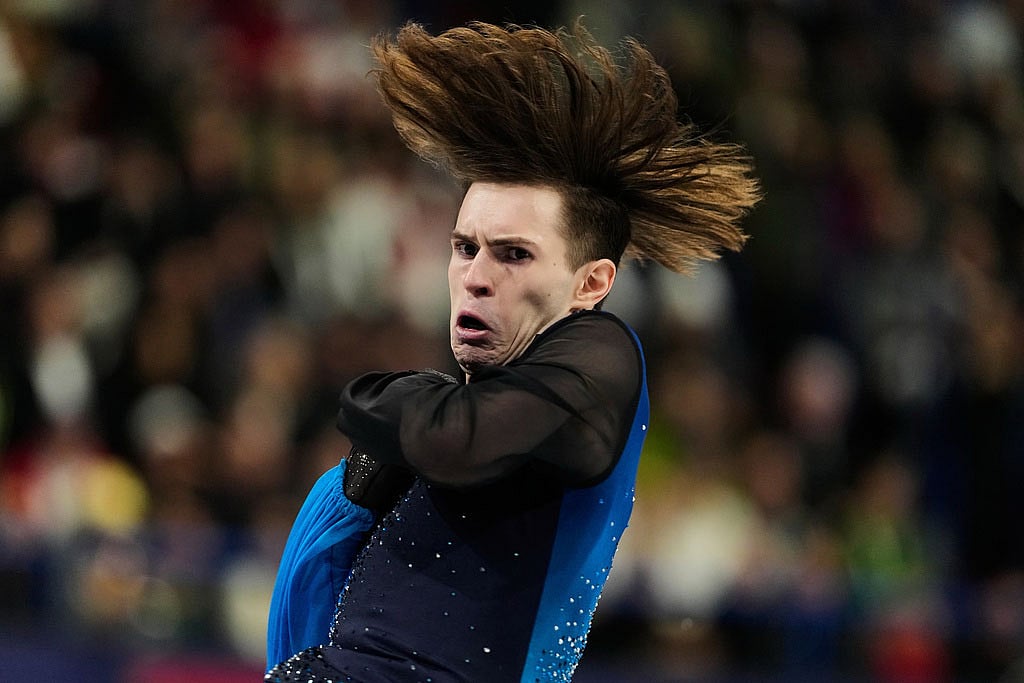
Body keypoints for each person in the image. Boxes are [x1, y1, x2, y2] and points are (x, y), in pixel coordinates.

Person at [265, 20, 760, 682]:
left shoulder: (601, 357)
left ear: (591, 283)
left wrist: (385, 399)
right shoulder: (467, 411)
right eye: (464, 246)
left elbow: (449, 439)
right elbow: (317, 574)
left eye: (513, 254)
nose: (475, 273)